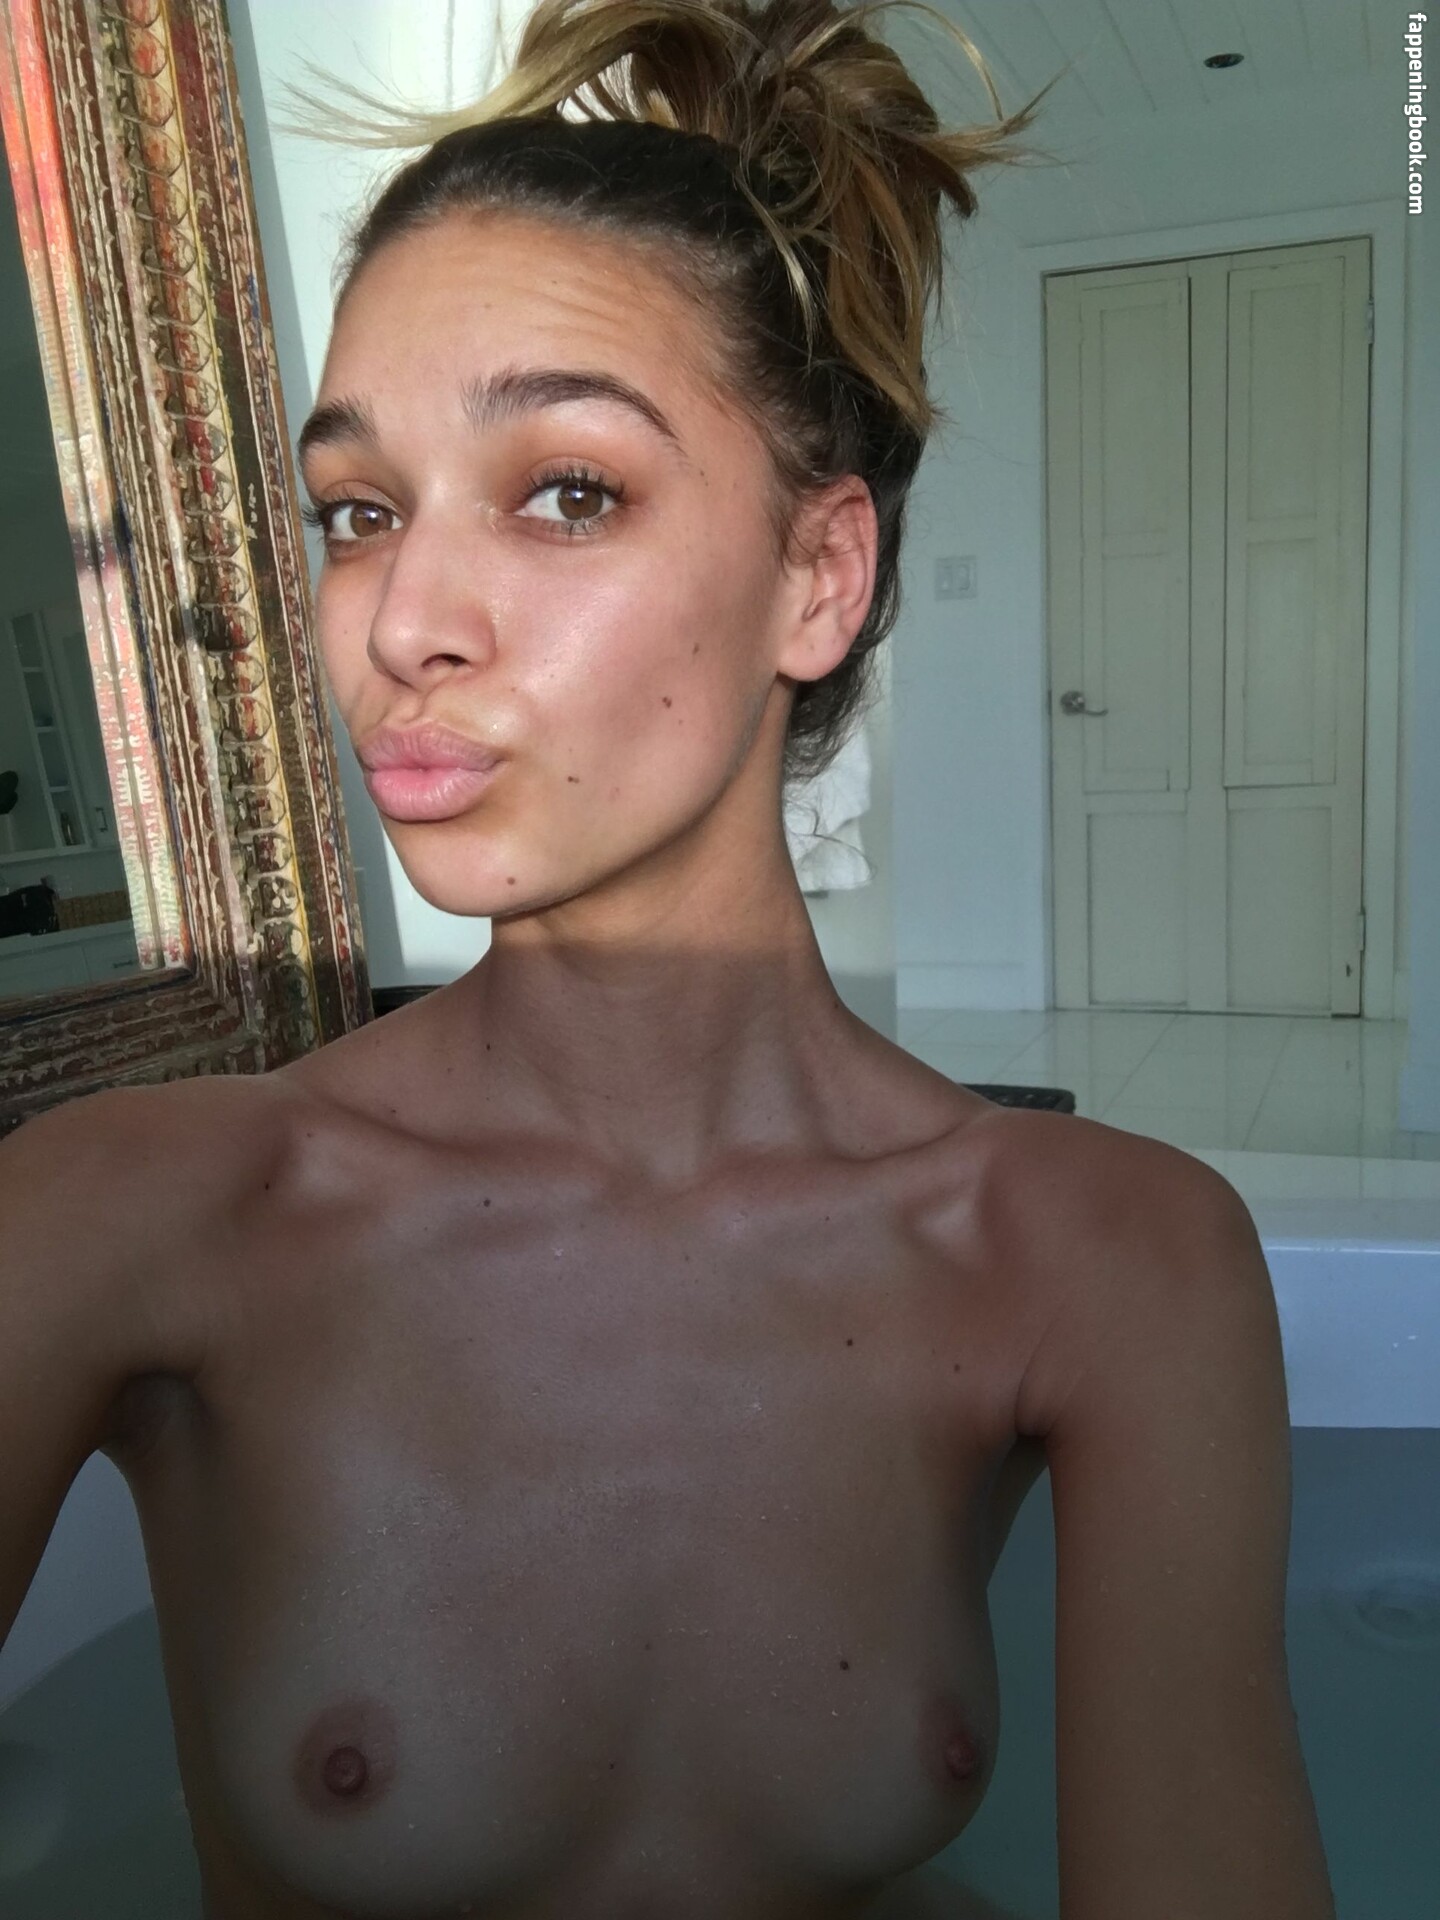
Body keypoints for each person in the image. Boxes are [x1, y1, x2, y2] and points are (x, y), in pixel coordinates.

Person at [0, 1, 1337, 1915]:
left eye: (568, 490)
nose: (402, 619)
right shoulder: (124, 1219)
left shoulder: (1112, 1258)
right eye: (358, 512)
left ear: (819, 576)